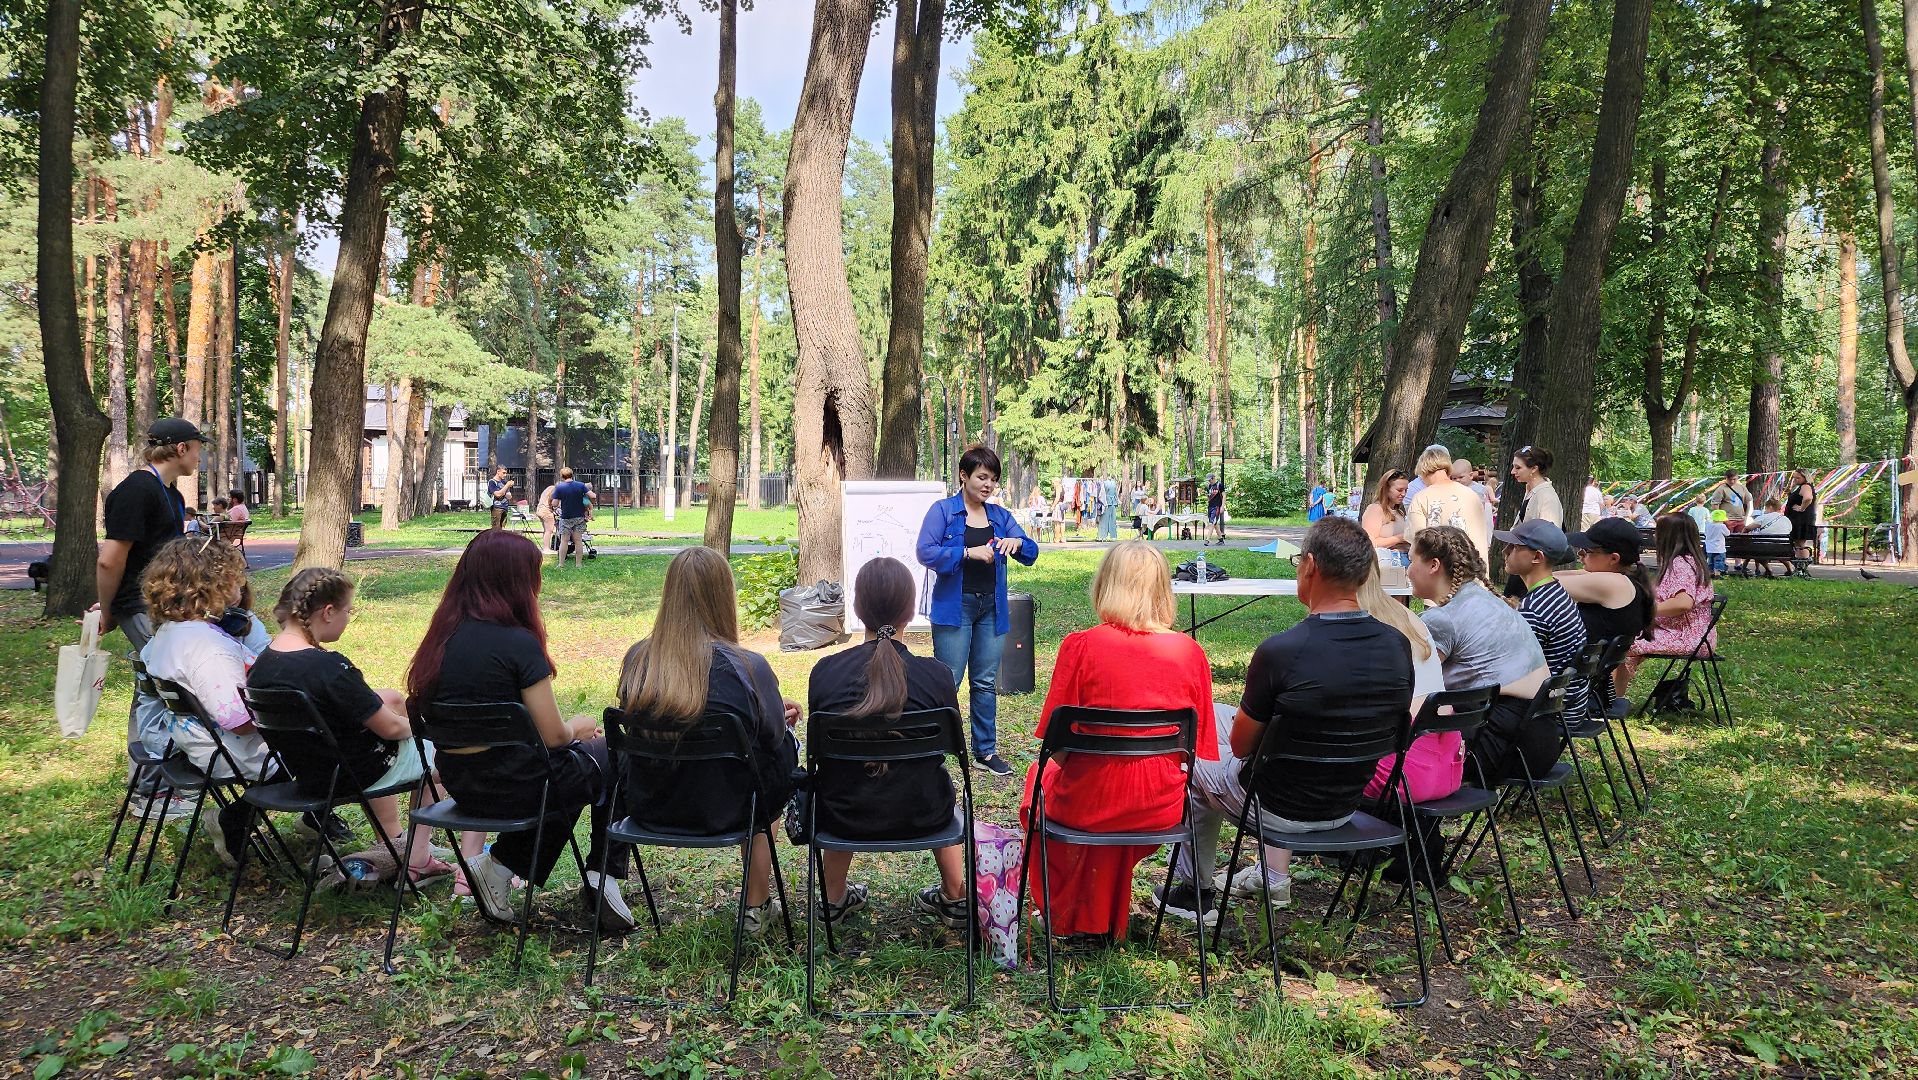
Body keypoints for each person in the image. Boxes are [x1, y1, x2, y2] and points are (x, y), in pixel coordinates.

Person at [1156, 518, 1411, 925]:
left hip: (1277, 806)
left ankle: (1194, 890)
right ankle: (1272, 875)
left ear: (1309, 565)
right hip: (1345, 803)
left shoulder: (1283, 651)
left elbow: (1240, 748)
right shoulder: (1397, 645)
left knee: (1195, 756)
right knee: (1209, 718)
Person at [405, 530, 635, 931]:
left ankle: (500, 868)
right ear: (515, 582)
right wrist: (579, 727)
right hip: (518, 785)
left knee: (571, 779)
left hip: (463, 784)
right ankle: (601, 875)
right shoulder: (518, 645)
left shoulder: (440, 641)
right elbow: (554, 737)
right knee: (612, 754)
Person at [1023, 541, 1218, 940]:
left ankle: (1076, 912)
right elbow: (1196, 751)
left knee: (1039, 782)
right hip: (1158, 807)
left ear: (1106, 586)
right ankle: (1099, 914)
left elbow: (1055, 748)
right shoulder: (1190, 653)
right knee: (1115, 788)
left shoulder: (1081, 646)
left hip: (1088, 802)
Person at [616, 547, 799, 935]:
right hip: (729, 808)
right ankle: (756, 904)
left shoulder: (636, 661)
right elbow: (772, 736)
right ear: (723, 597)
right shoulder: (749, 665)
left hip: (649, 804)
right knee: (781, 753)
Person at [247, 568, 451, 883]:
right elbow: (392, 730)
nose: (348, 617)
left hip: (311, 776)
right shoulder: (329, 667)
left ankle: (399, 845)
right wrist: (425, 725)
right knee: (452, 759)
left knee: (393, 707)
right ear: (328, 612)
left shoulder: (262, 665)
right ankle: (419, 858)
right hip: (356, 774)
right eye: (348, 611)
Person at [805, 558, 969, 928]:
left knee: (838, 778)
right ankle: (955, 895)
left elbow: (820, 763)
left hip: (843, 816)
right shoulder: (937, 677)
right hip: (925, 814)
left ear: (857, 609)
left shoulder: (825, 675)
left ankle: (832, 899)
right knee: (935, 783)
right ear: (911, 612)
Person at [137, 536, 277, 864]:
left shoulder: (170, 633)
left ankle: (239, 819)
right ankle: (236, 820)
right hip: (232, 752)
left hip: (196, 742)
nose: (241, 584)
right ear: (214, 584)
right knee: (326, 749)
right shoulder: (208, 648)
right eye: (234, 576)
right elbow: (239, 722)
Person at [916, 446, 1040, 777]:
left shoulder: (999, 516)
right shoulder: (943, 512)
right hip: (955, 608)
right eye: (981, 477)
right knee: (948, 681)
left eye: (993, 480)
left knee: (984, 682)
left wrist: (1019, 545)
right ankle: (934, 750)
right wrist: (966, 553)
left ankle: (984, 752)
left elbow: (1031, 552)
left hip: (992, 608)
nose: (988, 485)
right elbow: (925, 552)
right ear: (964, 476)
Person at [97, 418, 200, 781]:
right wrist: (108, 610)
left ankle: (146, 771)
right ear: (181, 448)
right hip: (139, 606)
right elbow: (110, 559)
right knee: (164, 686)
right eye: (197, 447)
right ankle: (150, 780)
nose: (200, 455)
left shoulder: (172, 494)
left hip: (162, 606)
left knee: (153, 683)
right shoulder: (137, 490)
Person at [1408, 526, 1550, 790]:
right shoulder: (1488, 600)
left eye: (1411, 560)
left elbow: (1409, 683)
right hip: (1539, 739)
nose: (1407, 571)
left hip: (1496, 747)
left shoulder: (1442, 619)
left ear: (1433, 565)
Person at [1557, 517, 1655, 715]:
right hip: (1586, 689)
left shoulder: (1613, 584)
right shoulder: (1625, 579)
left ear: (1614, 558)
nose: (1580, 555)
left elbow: (1541, 584)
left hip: (1569, 695)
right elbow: (1575, 575)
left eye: (1588, 551)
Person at [1496, 519, 1588, 726]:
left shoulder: (1534, 609)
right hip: (1569, 704)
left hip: (1547, 712)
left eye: (1514, 547)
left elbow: (1509, 668)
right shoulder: (1555, 593)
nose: (1505, 551)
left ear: (1537, 557)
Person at [1616, 515, 1716, 697]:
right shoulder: (1690, 561)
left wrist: (1647, 611)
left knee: (1620, 643)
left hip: (1686, 637)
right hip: (1695, 635)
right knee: (1625, 639)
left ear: (1668, 536)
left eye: (1657, 532)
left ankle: (1609, 700)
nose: (1654, 537)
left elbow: (1683, 603)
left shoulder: (1680, 564)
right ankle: (1613, 698)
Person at [1405, 444, 1491, 568]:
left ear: (1423, 471)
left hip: (1441, 572)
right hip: (1473, 568)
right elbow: (1482, 536)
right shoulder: (1472, 495)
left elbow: (1418, 540)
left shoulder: (1421, 498)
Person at [1362, 468, 1412, 568]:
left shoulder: (1399, 512)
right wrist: (1401, 537)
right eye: (1399, 490)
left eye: (1406, 490)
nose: (1404, 494)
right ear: (1386, 488)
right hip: (1388, 563)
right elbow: (1371, 543)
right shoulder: (1375, 510)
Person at [549, 467, 593, 568]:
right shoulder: (581, 485)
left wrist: (556, 501)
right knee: (578, 540)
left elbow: (555, 503)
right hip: (579, 517)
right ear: (572, 474)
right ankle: (578, 564)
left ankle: (561, 564)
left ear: (561, 476)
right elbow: (592, 495)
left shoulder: (559, 487)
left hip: (566, 517)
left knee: (564, 541)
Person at [1509, 445, 1562, 525]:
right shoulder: (1531, 490)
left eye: (1518, 468)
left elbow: (1550, 535)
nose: (1512, 472)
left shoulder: (1547, 496)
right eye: (1513, 467)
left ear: (1534, 469)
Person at [1785, 469, 1817, 564]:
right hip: (1797, 519)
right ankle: (1800, 565)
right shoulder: (1801, 487)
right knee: (1798, 543)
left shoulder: (1806, 486)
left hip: (1800, 520)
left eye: (1798, 478)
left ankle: (1803, 565)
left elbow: (1808, 498)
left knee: (1800, 543)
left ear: (1805, 477)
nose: (1795, 480)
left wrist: (1801, 508)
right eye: (1794, 478)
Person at [1703, 511, 1730, 578]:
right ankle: (1717, 574)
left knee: (1710, 560)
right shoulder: (1722, 526)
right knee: (1719, 561)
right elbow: (1728, 533)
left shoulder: (1708, 525)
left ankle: (1710, 572)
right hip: (1719, 548)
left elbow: (1705, 534)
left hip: (1709, 548)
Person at [534, 479, 558, 553]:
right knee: (549, 530)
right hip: (546, 511)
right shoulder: (555, 490)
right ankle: (546, 549)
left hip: (539, 509)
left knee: (546, 530)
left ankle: (545, 547)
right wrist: (552, 508)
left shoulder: (549, 487)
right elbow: (551, 499)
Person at [1205, 473, 1226, 545]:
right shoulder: (1209, 486)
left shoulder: (1219, 485)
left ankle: (1207, 540)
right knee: (1215, 523)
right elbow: (1210, 497)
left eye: (1210, 479)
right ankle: (1221, 540)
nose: (1209, 481)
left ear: (1213, 478)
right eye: (1208, 480)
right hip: (1210, 507)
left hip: (1217, 507)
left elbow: (1224, 495)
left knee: (1211, 523)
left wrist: (1222, 506)